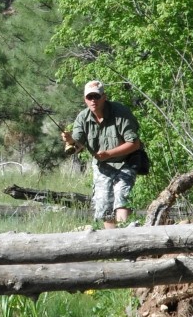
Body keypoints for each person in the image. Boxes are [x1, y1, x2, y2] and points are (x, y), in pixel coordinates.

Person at [60, 80, 142, 229]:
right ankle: (112, 243)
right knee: (104, 204)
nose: (93, 100)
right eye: (89, 97)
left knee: (122, 196)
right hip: (102, 166)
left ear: (104, 97)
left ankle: (125, 235)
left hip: (126, 162)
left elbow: (134, 144)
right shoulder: (82, 118)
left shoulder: (121, 113)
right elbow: (78, 146)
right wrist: (70, 140)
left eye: (96, 97)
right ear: (84, 99)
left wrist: (108, 154)